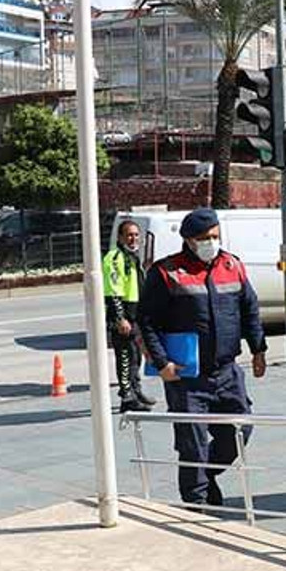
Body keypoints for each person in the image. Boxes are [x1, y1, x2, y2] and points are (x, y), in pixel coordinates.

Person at [137, 208, 268, 507]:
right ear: (188, 240)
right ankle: (197, 507)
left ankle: (205, 475)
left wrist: (258, 348)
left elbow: (250, 310)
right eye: (204, 238)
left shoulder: (232, 265)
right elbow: (147, 322)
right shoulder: (166, 272)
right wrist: (162, 362)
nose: (211, 242)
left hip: (227, 372)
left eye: (215, 236)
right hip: (187, 376)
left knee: (239, 431)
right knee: (192, 446)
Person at [104, 220, 154, 413]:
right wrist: (120, 318)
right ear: (120, 237)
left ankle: (136, 389)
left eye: (136, 235)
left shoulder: (132, 257)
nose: (133, 239)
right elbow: (112, 291)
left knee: (135, 356)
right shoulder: (115, 258)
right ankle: (127, 396)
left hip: (135, 315)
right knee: (125, 355)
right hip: (123, 315)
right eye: (129, 235)